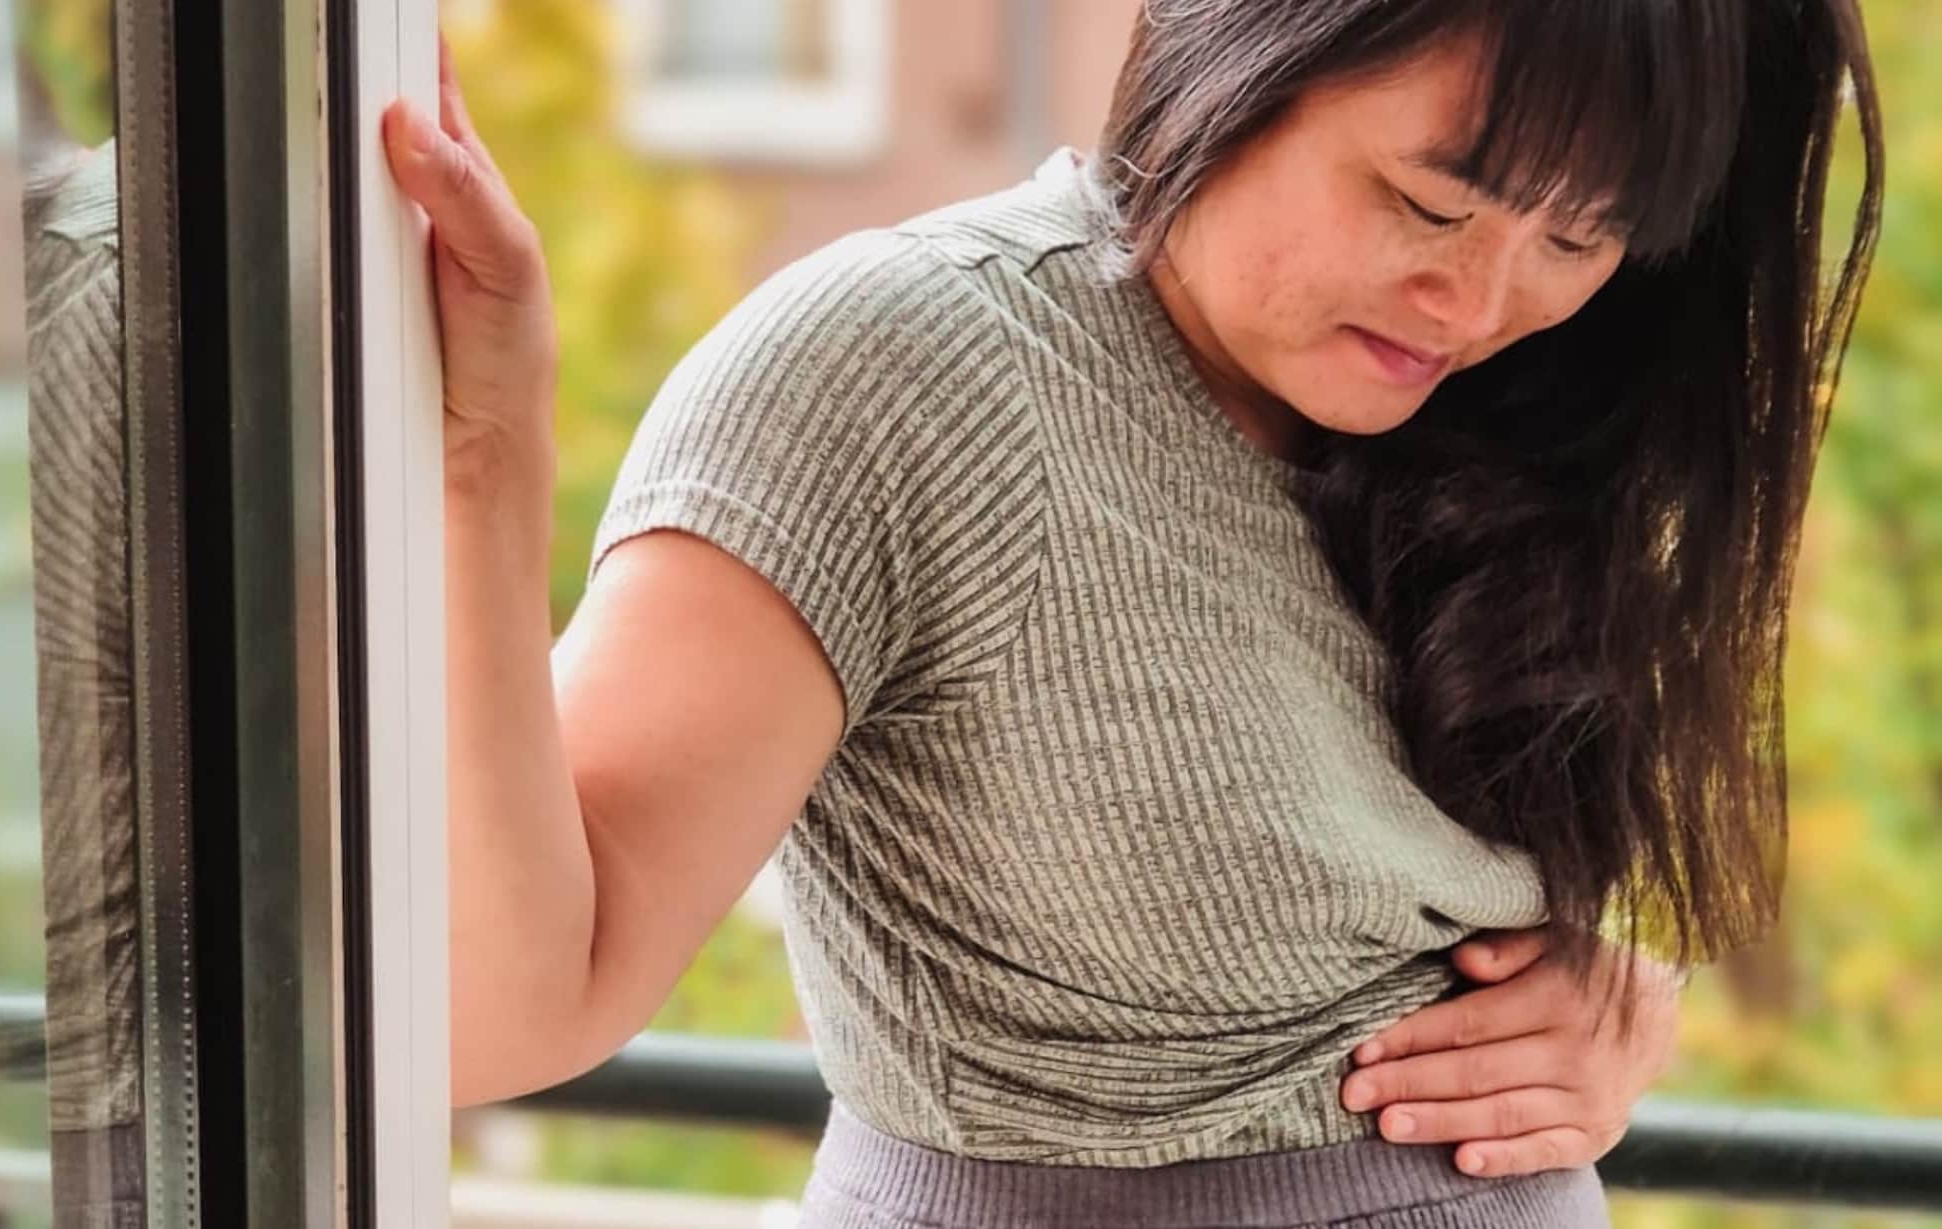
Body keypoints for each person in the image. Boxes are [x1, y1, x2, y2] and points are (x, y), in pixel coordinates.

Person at [382, 0, 1883, 1224]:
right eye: (1429, 203)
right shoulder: (905, 376)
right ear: (1237, 48)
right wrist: (482, 457)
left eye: (1579, 239)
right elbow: (508, 1007)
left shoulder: (1506, 416)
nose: (1481, 304)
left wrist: (1602, 999)